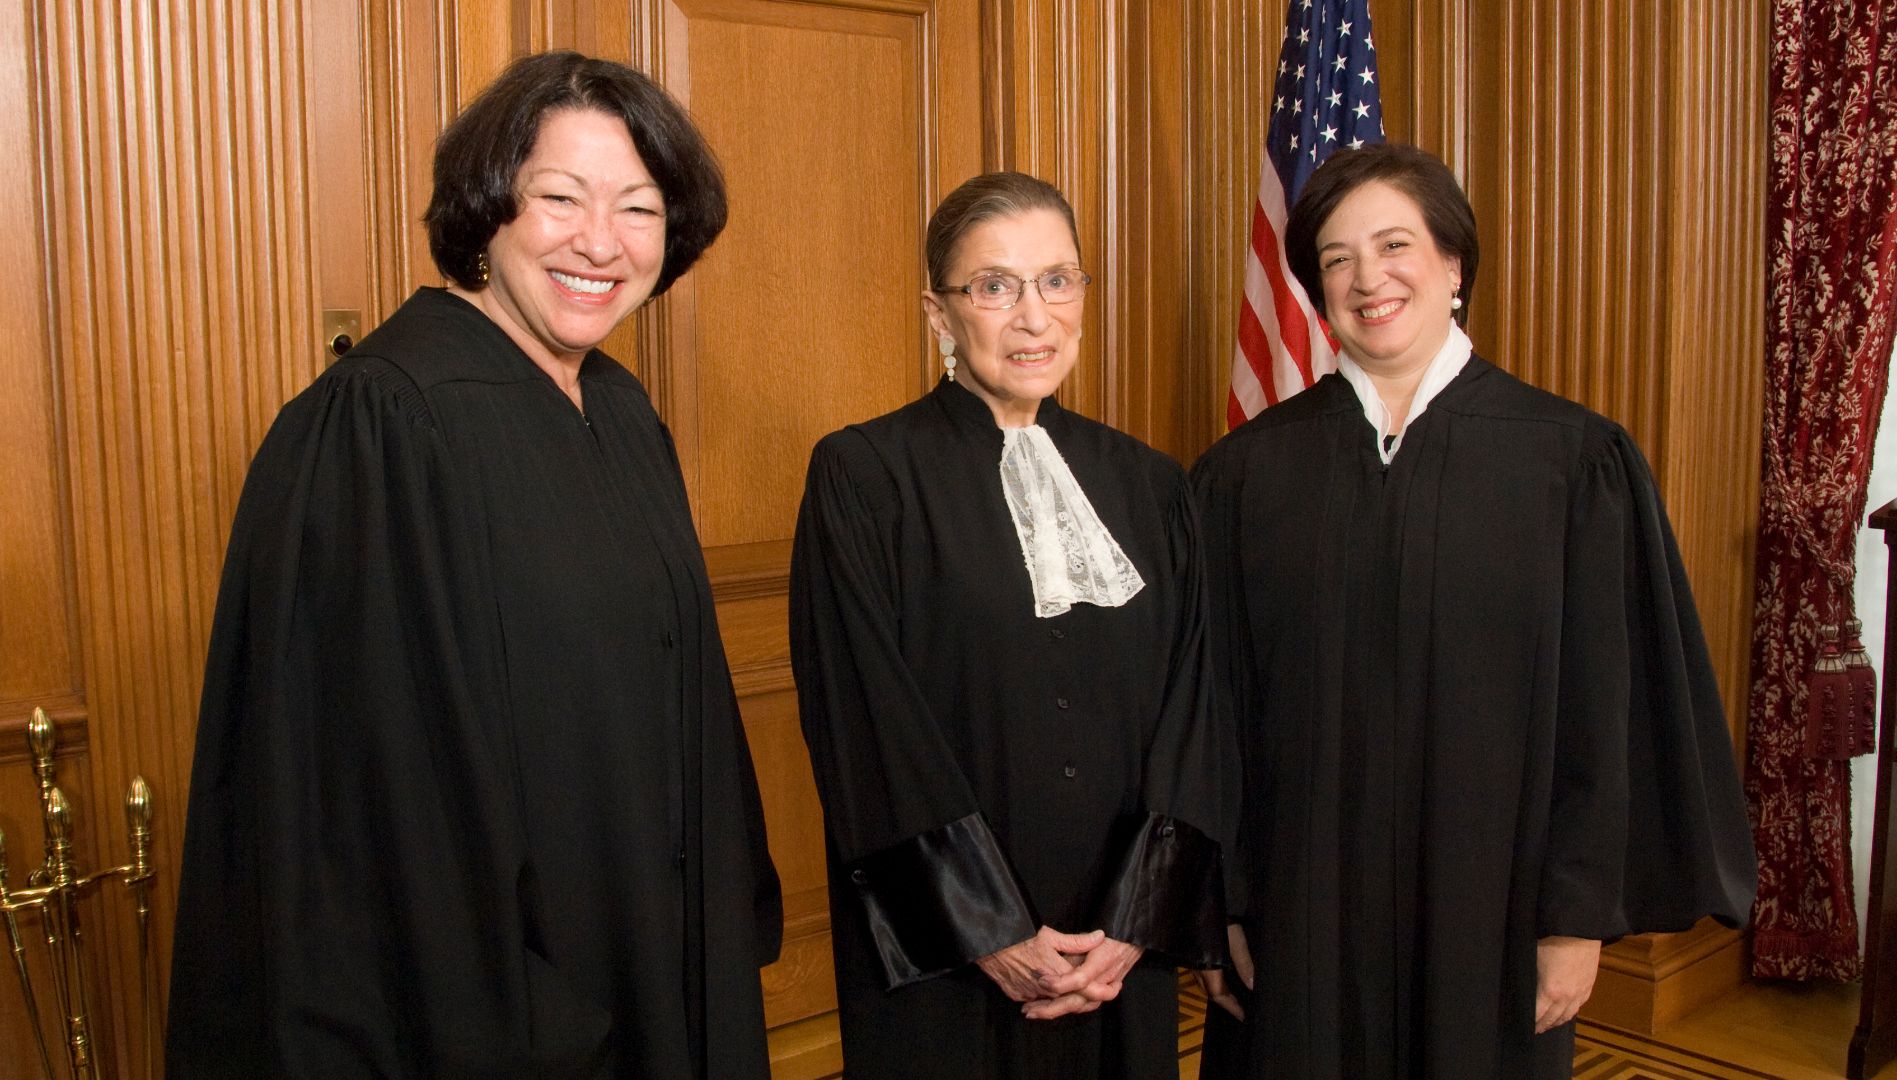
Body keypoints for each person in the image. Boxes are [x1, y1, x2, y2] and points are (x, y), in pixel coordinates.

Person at [166, 51, 781, 1079]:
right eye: (560, 198)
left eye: (638, 208)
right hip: (503, 1011)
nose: (601, 242)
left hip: (646, 946)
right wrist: (522, 1012)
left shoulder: (619, 408)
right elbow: (364, 799)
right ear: (487, 207)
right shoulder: (382, 424)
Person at [1191, 143, 1757, 1080]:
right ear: (1317, 289)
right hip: (1298, 912)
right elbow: (1214, 714)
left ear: (1454, 264)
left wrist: (1574, 920)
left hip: (1492, 917)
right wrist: (1222, 903)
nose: (1369, 278)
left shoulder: (1571, 463)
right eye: (1337, 258)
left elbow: (1601, 712)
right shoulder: (1245, 476)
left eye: (1395, 245)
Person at [789, 171, 1237, 1079]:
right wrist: (987, 927)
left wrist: (1136, 921)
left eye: (1057, 280)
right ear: (940, 313)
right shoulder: (864, 476)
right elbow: (867, 725)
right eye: (995, 286)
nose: (1035, 317)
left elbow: (1195, 706)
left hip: (1116, 945)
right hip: (947, 949)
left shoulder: (1152, 486)